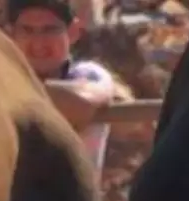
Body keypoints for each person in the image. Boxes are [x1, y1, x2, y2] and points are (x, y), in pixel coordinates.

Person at [6, 0, 116, 176]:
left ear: (73, 32)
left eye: (49, 30)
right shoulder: (4, 79)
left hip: (72, 200)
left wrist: (7, 93)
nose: (38, 42)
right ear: (11, 35)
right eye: (27, 30)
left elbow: (81, 101)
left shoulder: (87, 73)